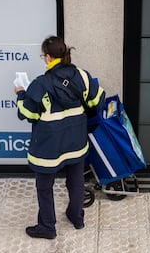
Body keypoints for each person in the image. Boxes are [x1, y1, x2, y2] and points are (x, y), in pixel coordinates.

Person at [14, 36, 105, 239]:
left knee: (44, 187)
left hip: (49, 146)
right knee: (76, 181)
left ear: (47, 57)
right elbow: (97, 100)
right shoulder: (81, 75)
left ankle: (47, 227)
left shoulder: (40, 84)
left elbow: (27, 114)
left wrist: (20, 94)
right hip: (76, 140)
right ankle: (77, 217)